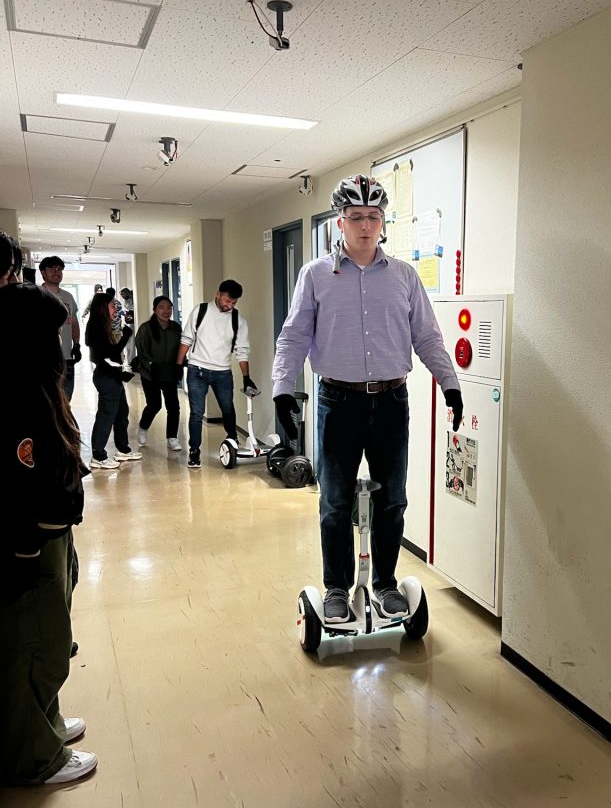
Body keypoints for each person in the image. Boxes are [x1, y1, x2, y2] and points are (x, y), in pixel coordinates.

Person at [272, 175, 463, 623]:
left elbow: (428, 337)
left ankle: (384, 584)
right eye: (355, 217)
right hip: (337, 402)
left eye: (372, 217)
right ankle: (336, 587)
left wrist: (449, 384)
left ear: (383, 223)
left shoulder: (404, 276)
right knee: (335, 501)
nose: (364, 225)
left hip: (392, 402)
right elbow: (294, 336)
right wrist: (282, 389)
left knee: (393, 499)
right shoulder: (316, 275)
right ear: (340, 222)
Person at [0, 274, 97, 785]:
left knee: (51, 639)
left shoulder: (36, 385)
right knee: (35, 643)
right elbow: (21, 479)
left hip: (55, 534)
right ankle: (37, 755)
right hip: (34, 545)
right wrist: (24, 549)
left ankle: (49, 723)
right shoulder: (17, 394)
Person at [177, 279, 257, 469]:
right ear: (218, 294)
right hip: (197, 370)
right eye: (227, 300)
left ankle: (233, 441)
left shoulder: (239, 321)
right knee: (197, 413)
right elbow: (186, 339)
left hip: (222, 372)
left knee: (227, 409)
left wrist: (246, 377)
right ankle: (194, 452)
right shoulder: (201, 311)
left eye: (234, 302)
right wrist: (178, 365)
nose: (229, 305)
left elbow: (242, 350)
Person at [84, 292, 141, 469]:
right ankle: (98, 456)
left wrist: (125, 336)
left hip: (113, 376)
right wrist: (125, 336)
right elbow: (103, 357)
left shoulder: (104, 326)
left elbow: (113, 354)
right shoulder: (96, 327)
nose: (115, 308)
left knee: (121, 413)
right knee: (106, 416)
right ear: (102, 307)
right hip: (107, 377)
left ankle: (123, 450)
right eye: (111, 306)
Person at [135, 295, 183, 451]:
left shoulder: (176, 328)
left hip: (169, 373)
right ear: (155, 310)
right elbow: (141, 351)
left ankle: (172, 438)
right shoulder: (145, 328)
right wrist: (150, 365)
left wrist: (180, 365)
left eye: (169, 308)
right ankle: (143, 427)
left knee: (173, 406)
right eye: (161, 307)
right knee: (154, 404)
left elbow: (181, 348)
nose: (166, 311)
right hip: (151, 374)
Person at [38, 255, 81, 401]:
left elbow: (74, 323)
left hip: (67, 357)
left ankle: (63, 424)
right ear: (43, 272)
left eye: (59, 269)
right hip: (45, 357)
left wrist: (76, 344)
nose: (57, 272)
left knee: (66, 399)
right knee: (47, 400)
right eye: (52, 269)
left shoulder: (68, 297)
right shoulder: (36, 295)